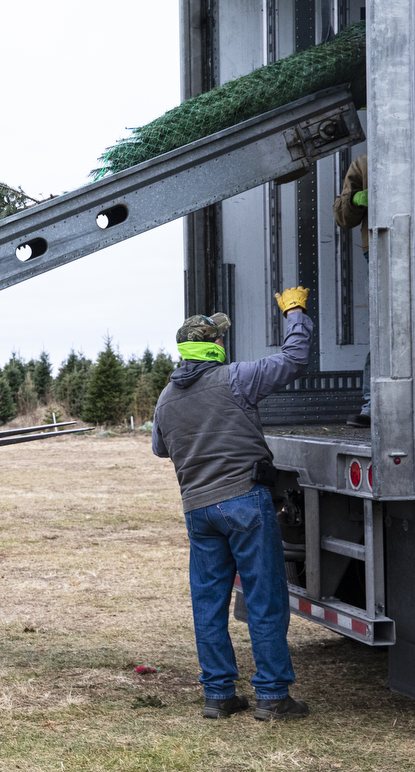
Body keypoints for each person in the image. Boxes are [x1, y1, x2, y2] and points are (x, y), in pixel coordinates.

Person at [151, 288, 313, 721]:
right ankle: (273, 696)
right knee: (265, 599)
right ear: (214, 346)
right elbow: (294, 359)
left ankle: (219, 695)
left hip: (198, 512)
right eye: (221, 338)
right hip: (244, 503)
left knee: (208, 604)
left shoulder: (165, 400)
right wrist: (295, 312)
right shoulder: (237, 378)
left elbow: (161, 450)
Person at [333, 153, 370, 427]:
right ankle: (373, 406)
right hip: (383, 249)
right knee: (388, 332)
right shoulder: (364, 163)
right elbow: (342, 216)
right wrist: (356, 199)